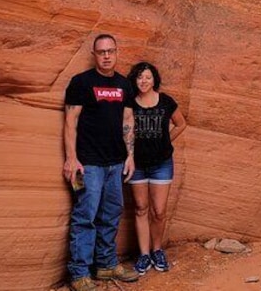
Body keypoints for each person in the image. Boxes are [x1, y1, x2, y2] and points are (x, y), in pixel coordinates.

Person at [63, 34, 140, 291]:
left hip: (116, 163)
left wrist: (130, 156)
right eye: (101, 52)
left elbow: (128, 121)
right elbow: (70, 122)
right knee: (86, 216)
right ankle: (79, 273)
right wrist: (71, 159)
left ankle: (106, 264)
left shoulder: (124, 85)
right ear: (94, 54)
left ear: (117, 53)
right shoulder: (81, 82)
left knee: (111, 214)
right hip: (90, 163)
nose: (106, 56)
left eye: (110, 51)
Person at [126, 61, 187, 275]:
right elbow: (126, 132)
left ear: (154, 80)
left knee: (159, 211)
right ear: (135, 80)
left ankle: (157, 249)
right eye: (140, 77)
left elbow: (181, 123)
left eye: (148, 77)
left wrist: (166, 141)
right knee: (141, 208)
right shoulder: (130, 103)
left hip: (162, 163)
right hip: (138, 165)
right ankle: (144, 255)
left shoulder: (166, 101)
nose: (144, 81)